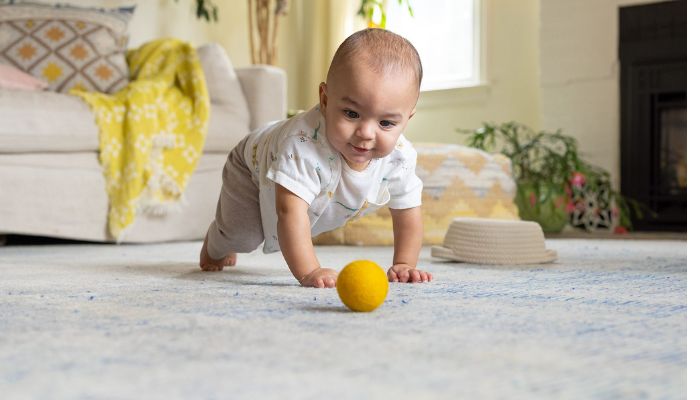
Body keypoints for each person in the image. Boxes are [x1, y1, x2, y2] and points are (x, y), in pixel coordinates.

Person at [199, 28, 433, 288]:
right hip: (250, 165)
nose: (366, 133)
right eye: (351, 114)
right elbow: (289, 212)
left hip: (283, 153)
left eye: (386, 122)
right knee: (243, 236)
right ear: (324, 99)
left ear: (407, 119)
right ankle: (214, 244)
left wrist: (404, 263)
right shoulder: (303, 148)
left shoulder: (399, 157)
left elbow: (408, 213)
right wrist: (310, 271)